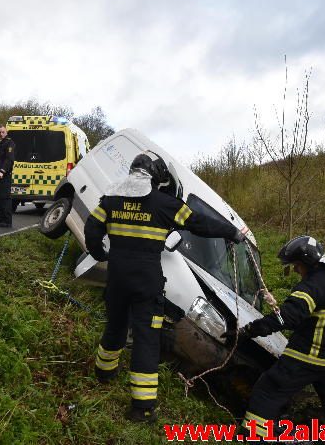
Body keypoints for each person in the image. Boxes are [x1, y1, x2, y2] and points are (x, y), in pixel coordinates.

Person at [84, 152, 244, 423]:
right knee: (146, 339)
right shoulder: (165, 203)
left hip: (118, 279)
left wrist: (99, 253)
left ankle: (104, 373)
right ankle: (142, 408)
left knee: (115, 326)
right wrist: (231, 232)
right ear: (155, 179)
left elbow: (91, 229)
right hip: (147, 283)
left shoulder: (110, 200)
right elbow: (199, 223)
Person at [231, 236, 325, 443]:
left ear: (307, 263)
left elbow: (287, 318)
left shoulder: (310, 287)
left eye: (296, 265)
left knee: (268, 389)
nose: (295, 270)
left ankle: (253, 435)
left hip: (308, 357)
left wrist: (250, 330)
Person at [0, 124, 15, 228]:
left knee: (5, 198)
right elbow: (0, 158)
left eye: (3, 132)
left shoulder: (10, 143)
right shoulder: (1, 143)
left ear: (6, 132)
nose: (1, 134)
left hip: (4, 175)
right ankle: (1, 219)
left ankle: (7, 221)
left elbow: (9, 159)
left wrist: (2, 171)